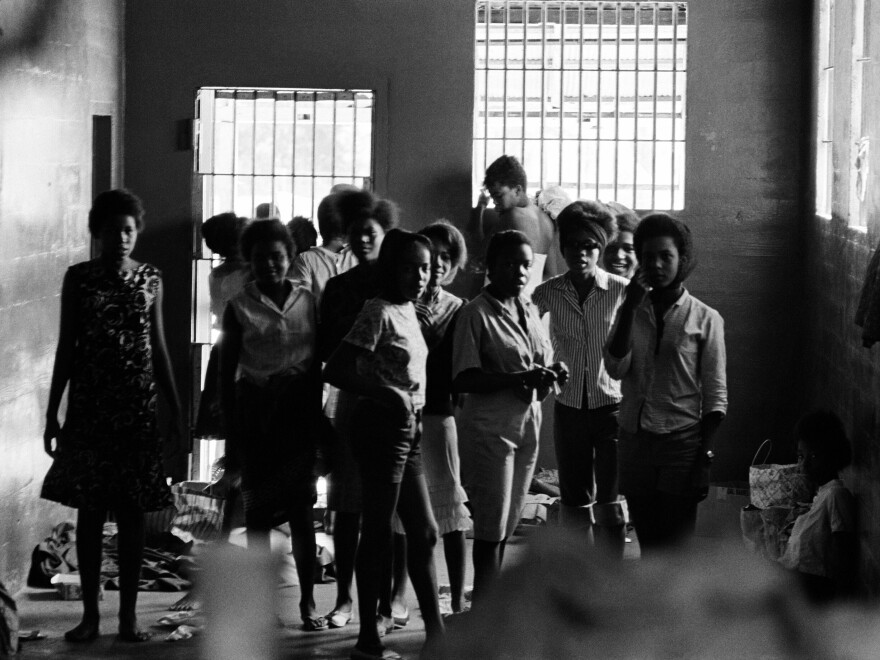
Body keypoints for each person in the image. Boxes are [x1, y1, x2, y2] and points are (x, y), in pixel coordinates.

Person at [41, 189, 184, 643]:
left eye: (128, 230)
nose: (121, 238)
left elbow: (158, 348)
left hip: (137, 411)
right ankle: (90, 615)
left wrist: (176, 410)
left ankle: (128, 616)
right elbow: (67, 347)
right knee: (89, 511)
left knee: (132, 513)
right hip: (90, 410)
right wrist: (52, 413)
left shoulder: (150, 278)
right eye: (111, 230)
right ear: (96, 233)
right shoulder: (79, 278)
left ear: (136, 231)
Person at [324, 229, 445, 660]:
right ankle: (367, 639)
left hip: (408, 432)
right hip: (380, 429)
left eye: (426, 267)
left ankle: (437, 634)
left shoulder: (412, 310)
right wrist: (384, 392)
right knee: (376, 531)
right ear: (392, 267)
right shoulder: (377, 310)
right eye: (410, 266)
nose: (419, 275)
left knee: (425, 533)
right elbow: (335, 369)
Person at [216, 218, 325, 631]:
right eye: (261, 258)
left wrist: (316, 426)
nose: (270, 265)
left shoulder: (307, 301)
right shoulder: (238, 307)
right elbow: (226, 378)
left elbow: (316, 365)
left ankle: (309, 602)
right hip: (257, 418)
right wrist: (233, 440)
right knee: (258, 515)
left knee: (300, 513)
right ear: (250, 261)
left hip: (297, 418)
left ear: (290, 256)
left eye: (277, 256)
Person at [452, 230, 568, 603]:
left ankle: (492, 604)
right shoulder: (475, 313)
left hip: (527, 427)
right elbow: (465, 376)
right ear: (490, 267)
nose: (520, 272)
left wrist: (553, 372)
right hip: (490, 430)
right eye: (510, 264)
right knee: (490, 523)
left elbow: (539, 361)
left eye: (525, 264)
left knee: (509, 521)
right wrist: (519, 378)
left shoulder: (530, 309)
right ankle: (483, 607)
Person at [604, 213, 727, 553]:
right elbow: (615, 368)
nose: (655, 264)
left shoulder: (705, 318)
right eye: (647, 257)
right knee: (649, 544)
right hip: (634, 442)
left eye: (665, 256)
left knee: (675, 549)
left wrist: (703, 459)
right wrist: (630, 306)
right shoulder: (629, 310)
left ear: (682, 260)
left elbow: (716, 396)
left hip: (682, 445)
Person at [318, 190, 407, 632]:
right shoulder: (337, 288)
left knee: (392, 509)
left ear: (384, 234)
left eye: (370, 233)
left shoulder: (398, 285)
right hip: (351, 399)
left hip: (397, 404)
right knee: (347, 506)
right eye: (356, 235)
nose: (363, 241)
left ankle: (393, 598)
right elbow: (327, 352)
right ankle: (344, 597)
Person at [532, 201, 630, 556]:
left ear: (600, 249)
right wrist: (541, 365)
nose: (581, 253)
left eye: (589, 246)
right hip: (569, 405)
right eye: (573, 245)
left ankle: (611, 580)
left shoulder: (621, 291)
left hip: (611, 407)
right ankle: (577, 580)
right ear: (563, 248)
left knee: (610, 500)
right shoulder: (548, 292)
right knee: (575, 501)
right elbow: (525, 331)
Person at [416, 221, 472, 613]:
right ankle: (398, 600)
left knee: (452, 511)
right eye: (431, 253)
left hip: (439, 415)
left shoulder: (459, 309)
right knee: (406, 520)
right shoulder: (399, 301)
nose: (437, 263)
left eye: (446, 257)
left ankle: (456, 597)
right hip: (404, 418)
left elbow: (461, 373)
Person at [779, 410, 857, 602]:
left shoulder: (835, 495)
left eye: (813, 456)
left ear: (832, 456)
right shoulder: (821, 495)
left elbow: (844, 560)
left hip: (814, 593)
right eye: (800, 456)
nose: (804, 465)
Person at [479, 155, 565, 288]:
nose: (495, 203)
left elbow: (481, 257)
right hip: (534, 302)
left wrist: (480, 209)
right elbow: (551, 274)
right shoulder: (546, 220)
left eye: (499, 195)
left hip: (507, 299)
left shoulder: (511, 216)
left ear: (518, 190)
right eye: (492, 197)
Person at [289, 192, 358, 310]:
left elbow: (302, 304)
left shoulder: (306, 259)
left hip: (319, 326)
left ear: (320, 227)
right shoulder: (357, 255)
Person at [602, 202, 640, 280]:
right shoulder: (588, 290)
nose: (618, 255)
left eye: (628, 249)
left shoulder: (650, 291)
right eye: (611, 247)